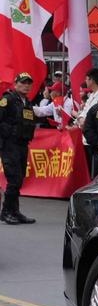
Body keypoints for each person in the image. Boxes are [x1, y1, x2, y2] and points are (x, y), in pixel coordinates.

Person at [0, 72, 39, 224]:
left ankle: (15, 211)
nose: (26, 85)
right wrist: (8, 132)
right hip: (10, 145)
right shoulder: (7, 99)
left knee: (20, 178)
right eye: (23, 82)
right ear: (15, 84)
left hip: (22, 145)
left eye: (29, 83)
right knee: (14, 179)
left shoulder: (27, 102)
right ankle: (5, 211)